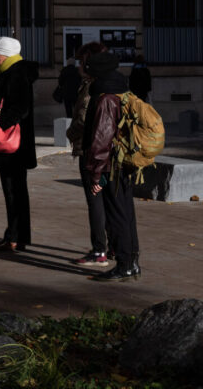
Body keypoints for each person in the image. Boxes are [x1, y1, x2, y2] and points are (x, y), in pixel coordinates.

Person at [81, 50, 141, 282]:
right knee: (126, 213)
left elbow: (100, 141)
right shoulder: (121, 90)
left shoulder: (105, 98)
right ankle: (131, 262)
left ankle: (124, 264)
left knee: (115, 215)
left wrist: (95, 174)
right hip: (121, 163)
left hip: (108, 167)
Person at [0, 36, 39, 252]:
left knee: (14, 192)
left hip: (12, 147)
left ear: (5, 54)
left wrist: (2, 124)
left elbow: (20, 108)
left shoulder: (15, 74)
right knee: (15, 192)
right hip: (15, 146)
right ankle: (16, 236)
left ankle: (15, 237)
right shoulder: (14, 72)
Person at [66, 42, 114, 267]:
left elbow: (84, 120)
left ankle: (99, 251)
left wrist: (70, 131)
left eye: (81, 61)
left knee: (95, 200)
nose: (78, 66)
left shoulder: (91, 86)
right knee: (105, 199)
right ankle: (111, 246)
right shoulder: (110, 82)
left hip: (91, 153)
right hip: (105, 152)